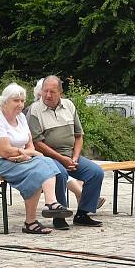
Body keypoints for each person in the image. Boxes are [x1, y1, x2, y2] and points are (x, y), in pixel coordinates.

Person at [0, 83, 73, 235]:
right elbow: (4, 150)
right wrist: (26, 154)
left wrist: (25, 154)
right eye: (16, 100)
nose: (20, 104)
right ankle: (40, 214)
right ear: (5, 101)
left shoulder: (21, 117)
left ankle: (46, 207)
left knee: (45, 163)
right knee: (39, 166)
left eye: (22, 101)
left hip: (16, 159)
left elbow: (31, 147)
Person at [28, 76, 104, 230]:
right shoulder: (34, 110)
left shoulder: (69, 105)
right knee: (60, 173)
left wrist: (75, 157)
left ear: (61, 93)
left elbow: (78, 135)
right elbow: (38, 144)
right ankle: (59, 216)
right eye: (45, 91)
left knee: (96, 172)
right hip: (47, 157)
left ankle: (82, 214)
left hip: (70, 155)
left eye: (52, 92)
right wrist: (62, 159)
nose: (48, 95)